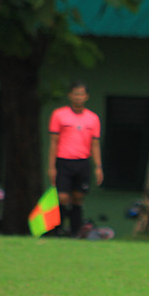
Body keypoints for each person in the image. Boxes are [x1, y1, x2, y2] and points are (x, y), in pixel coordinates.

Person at [48, 82, 103, 237]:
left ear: (86, 97)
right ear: (70, 96)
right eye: (76, 94)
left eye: (81, 94)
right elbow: (53, 142)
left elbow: (95, 144)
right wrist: (51, 166)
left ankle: (75, 231)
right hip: (64, 161)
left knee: (78, 197)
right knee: (63, 196)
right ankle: (57, 229)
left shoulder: (93, 118)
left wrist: (98, 166)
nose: (78, 97)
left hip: (82, 162)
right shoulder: (59, 115)